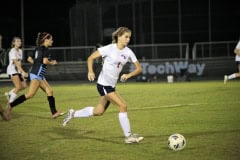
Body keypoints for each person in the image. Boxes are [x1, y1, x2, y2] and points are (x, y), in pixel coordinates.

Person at [62, 27, 144, 144]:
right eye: (126, 37)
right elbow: (90, 58)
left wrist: (128, 75)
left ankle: (73, 113)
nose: (128, 39)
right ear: (119, 37)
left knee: (98, 111)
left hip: (111, 86)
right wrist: (90, 71)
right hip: (104, 85)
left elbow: (139, 68)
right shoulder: (109, 49)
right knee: (123, 106)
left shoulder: (128, 52)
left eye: (129, 37)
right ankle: (129, 137)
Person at [5, 32, 64, 120]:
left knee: (49, 91)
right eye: (51, 39)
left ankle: (54, 112)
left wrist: (37, 64)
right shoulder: (45, 50)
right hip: (37, 74)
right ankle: (10, 105)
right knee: (30, 94)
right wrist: (52, 62)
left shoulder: (38, 48)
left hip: (38, 73)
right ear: (46, 40)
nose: (52, 41)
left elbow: (29, 59)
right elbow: (45, 61)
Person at [5, 37, 27, 103]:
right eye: (17, 41)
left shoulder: (20, 51)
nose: (19, 42)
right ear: (13, 43)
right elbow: (15, 62)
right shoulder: (12, 51)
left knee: (24, 86)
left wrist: (20, 72)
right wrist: (22, 71)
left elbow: (19, 63)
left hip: (17, 71)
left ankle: (9, 93)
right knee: (18, 87)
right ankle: (10, 103)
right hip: (12, 70)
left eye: (20, 41)